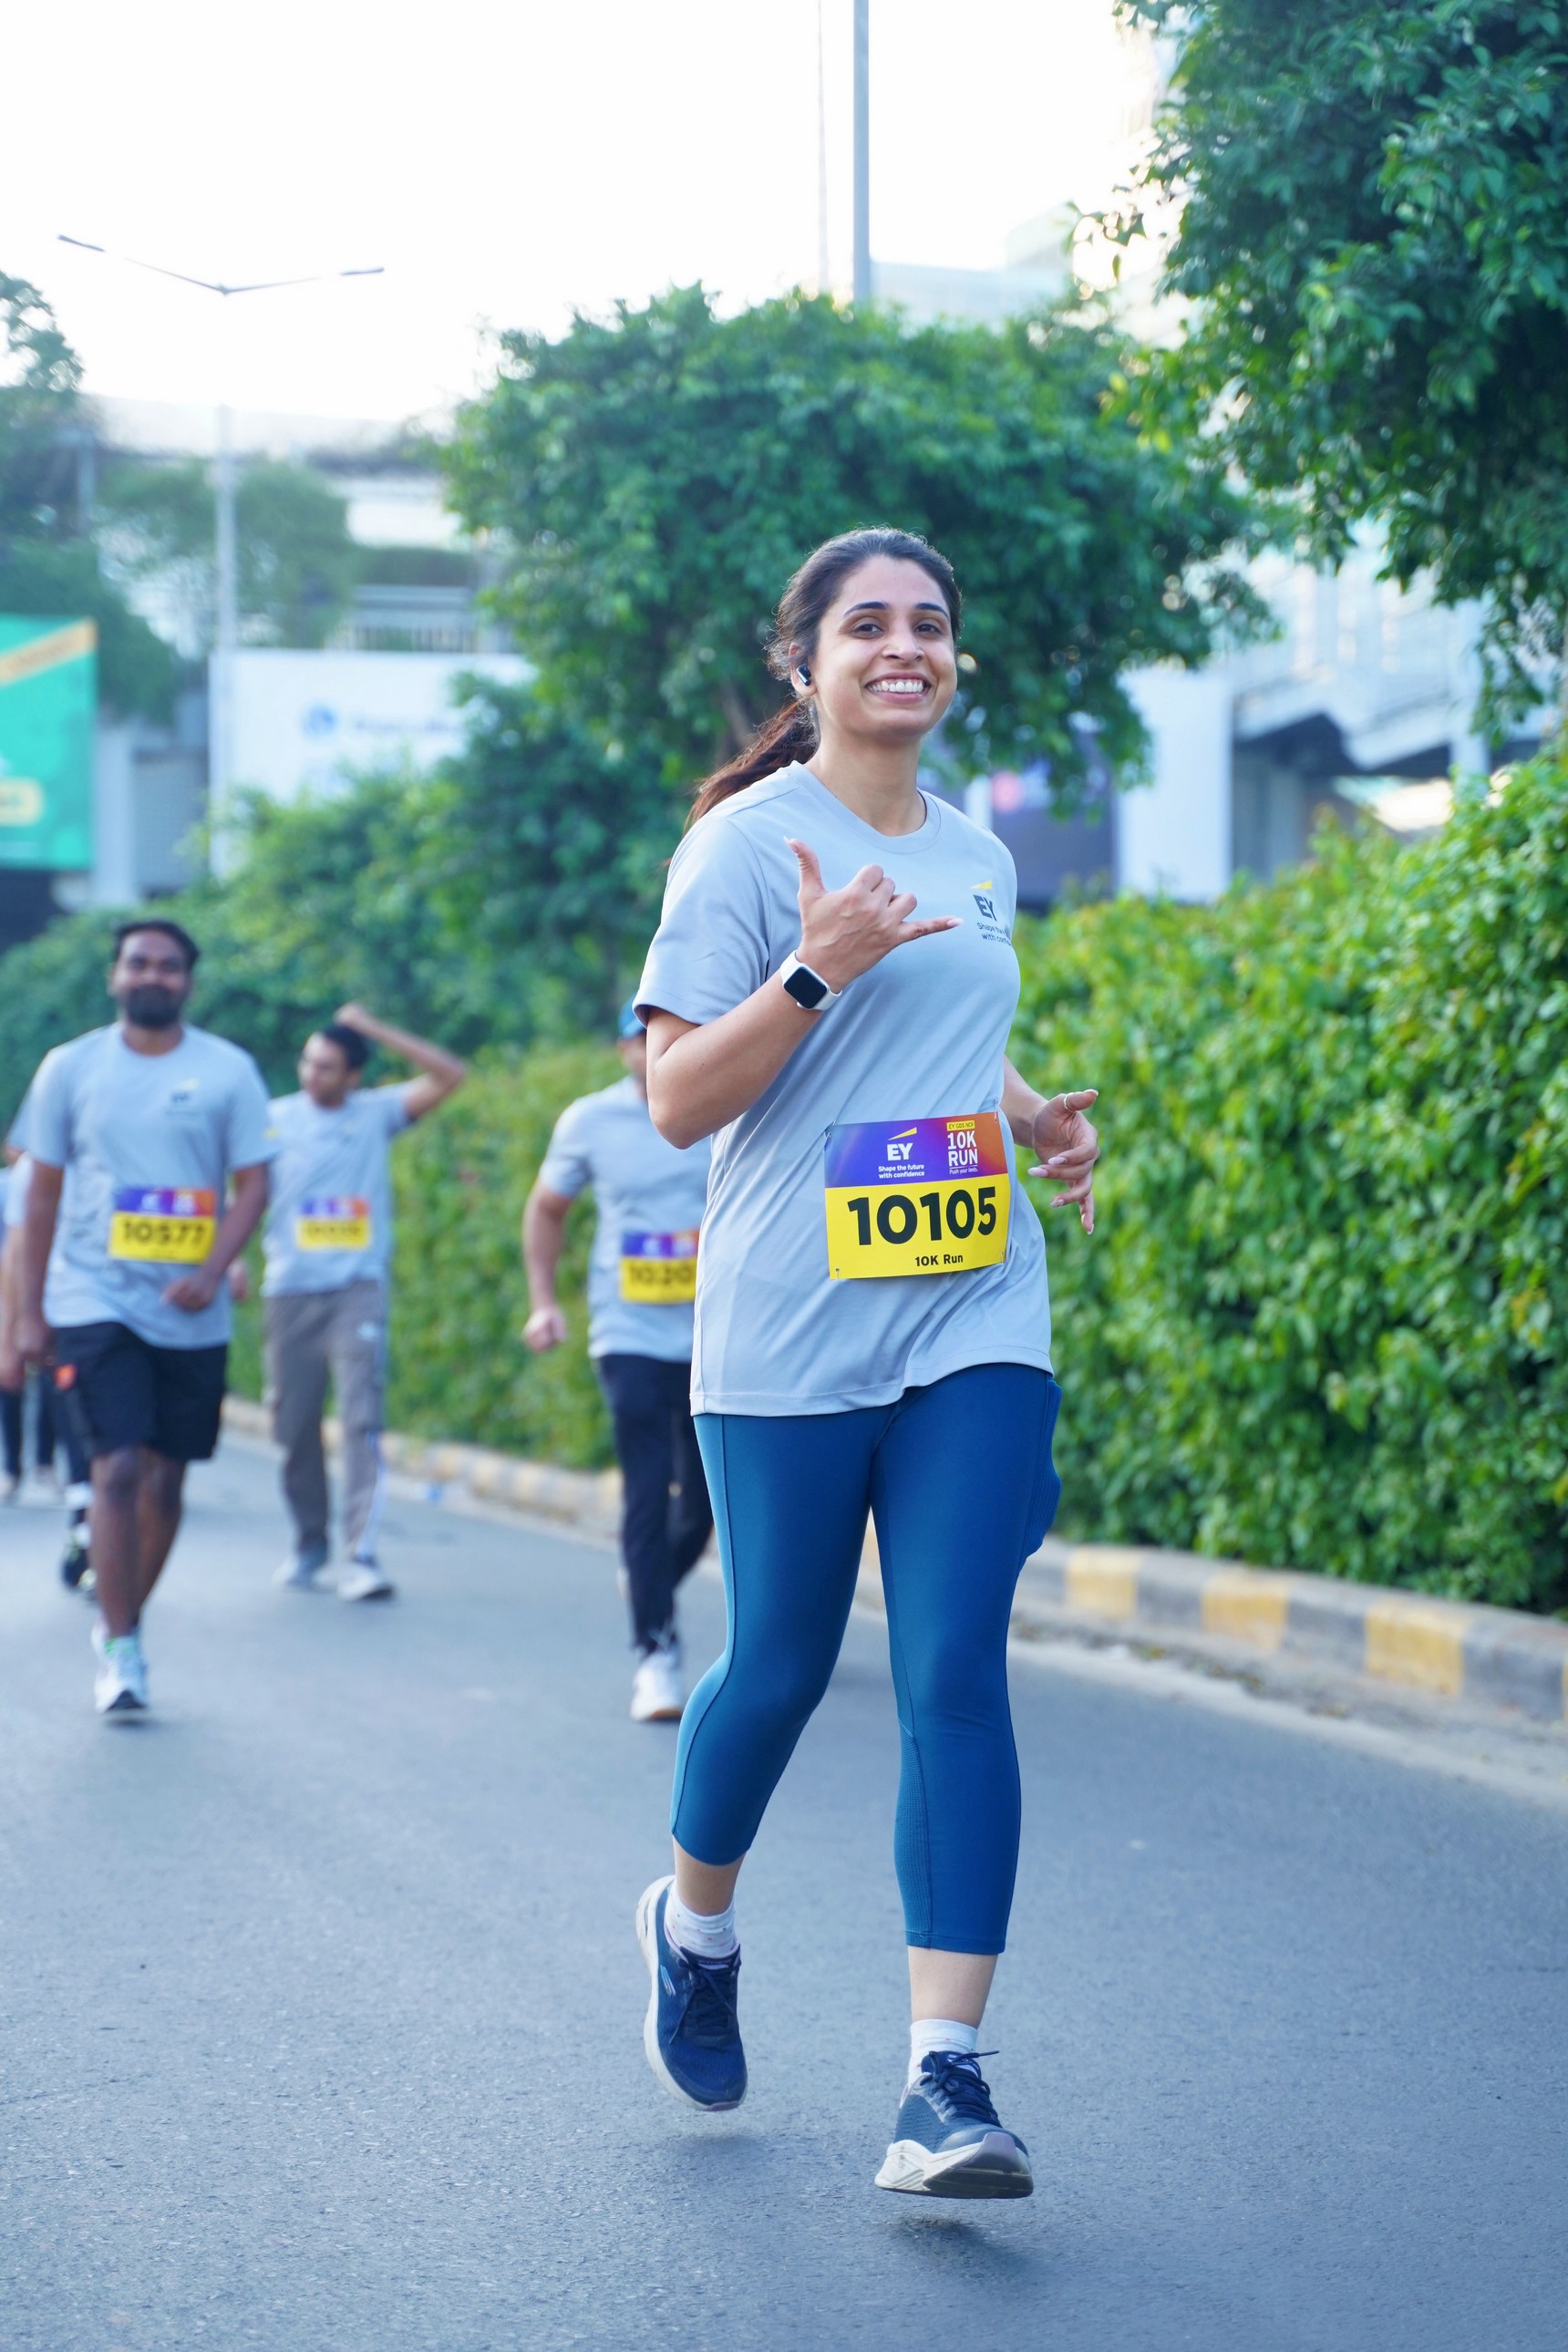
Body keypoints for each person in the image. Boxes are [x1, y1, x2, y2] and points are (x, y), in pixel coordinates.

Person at [630, 528, 1100, 2197]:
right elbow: (677, 1099)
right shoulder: (743, 848)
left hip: (973, 1303)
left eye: (931, 624)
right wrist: (818, 965)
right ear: (806, 663)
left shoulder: (978, 853)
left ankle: (944, 2082)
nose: (906, 646)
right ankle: (695, 1928)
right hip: (788, 1317)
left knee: (955, 1667)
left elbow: (948, 1038)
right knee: (775, 1663)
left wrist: (1026, 1115)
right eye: (869, 625)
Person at [13, 918, 276, 1716]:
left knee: (166, 1479)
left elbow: (254, 1184)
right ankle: (123, 1644)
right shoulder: (70, 1068)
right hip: (93, 1296)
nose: (151, 976)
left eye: (167, 966)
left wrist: (213, 1269)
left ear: (187, 982)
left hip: (190, 1310)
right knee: (117, 1467)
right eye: (138, 963)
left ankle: (121, 1614)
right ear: (115, 976)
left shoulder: (228, 1071)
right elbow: (40, 1195)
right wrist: (27, 1313)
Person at [522, 1001, 715, 1721]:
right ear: (623, 1048)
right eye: (641, 1035)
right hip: (627, 1332)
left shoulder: (727, 1105)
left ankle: (647, 1575)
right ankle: (656, 1656)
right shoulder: (589, 1121)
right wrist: (543, 1301)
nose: (652, 1046)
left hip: (715, 1335)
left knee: (704, 1504)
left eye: (671, 1031)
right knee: (646, 1488)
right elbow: (547, 1209)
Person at [263, 1004, 466, 1601]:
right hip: (290, 1290)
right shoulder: (273, 1120)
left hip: (357, 1289)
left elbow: (450, 1074)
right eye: (308, 1062)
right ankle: (309, 1542)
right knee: (292, 1425)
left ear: (353, 1075)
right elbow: (243, 1191)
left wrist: (373, 1028)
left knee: (360, 1419)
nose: (312, 1074)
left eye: (327, 1066)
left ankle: (361, 1555)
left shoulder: (377, 1114)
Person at [1, 1144, 93, 1586]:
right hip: (67, 1321)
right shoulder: (33, 1174)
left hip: (148, 1325)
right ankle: (84, 1533)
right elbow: (15, 1256)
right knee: (82, 1435)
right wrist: (14, 1331)